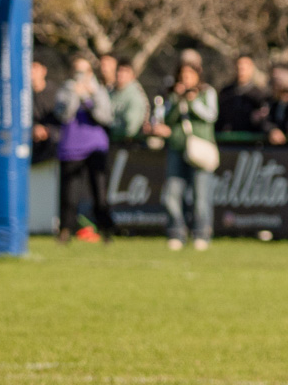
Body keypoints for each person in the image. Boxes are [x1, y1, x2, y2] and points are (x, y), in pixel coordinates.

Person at [148, 58, 218, 250]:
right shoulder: (173, 95)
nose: (186, 79)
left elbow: (211, 116)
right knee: (172, 192)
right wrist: (177, 100)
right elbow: (167, 119)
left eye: (189, 75)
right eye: (182, 75)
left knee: (200, 195)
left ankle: (201, 233)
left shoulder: (206, 92)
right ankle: (176, 232)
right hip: (178, 147)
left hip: (200, 149)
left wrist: (192, 100)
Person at [54, 56, 118, 243]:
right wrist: (75, 94)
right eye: (78, 70)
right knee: (69, 195)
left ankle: (106, 230)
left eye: (85, 71)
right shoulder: (66, 89)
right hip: (71, 148)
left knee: (99, 193)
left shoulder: (98, 90)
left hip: (95, 147)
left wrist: (92, 94)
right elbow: (64, 115)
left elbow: (105, 117)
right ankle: (65, 230)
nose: (81, 75)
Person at [216, 54, 268, 134]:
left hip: (250, 140)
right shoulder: (226, 93)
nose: (241, 70)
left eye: (244, 68)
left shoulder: (259, 94)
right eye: (238, 67)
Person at [106, 60, 148, 142]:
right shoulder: (110, 92)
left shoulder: (135, 96)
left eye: (126, 71)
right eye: (119, 70)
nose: (121, 74)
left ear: (133, 76)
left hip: (126, 143)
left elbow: (131, 129)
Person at [30, 60, 60, 165]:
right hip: (32, 152)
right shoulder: (22, 95)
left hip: (54, 152)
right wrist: (33, 129)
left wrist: (48, 131)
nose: (31, 71)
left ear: (44, 70)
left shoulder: (56, 93)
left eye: (35, 67)